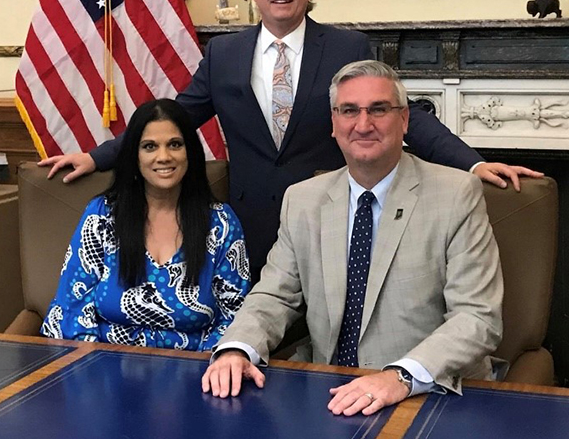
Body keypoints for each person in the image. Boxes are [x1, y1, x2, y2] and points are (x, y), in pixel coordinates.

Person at [41, 0, 539, 281]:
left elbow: (399, 115)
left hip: (331, 220)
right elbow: (170, 120)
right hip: (250, 226)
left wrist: (471, 162)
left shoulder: (346, 49)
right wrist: (97, 156)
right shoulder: (224, 54)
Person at [202, 60, 503, 416]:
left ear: (404, 120)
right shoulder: (303, 200)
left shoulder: (456, 193)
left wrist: (400, 377)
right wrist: (238, 348)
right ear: (333, 123)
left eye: (379, 109)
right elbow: (273, 295)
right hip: (332, 392)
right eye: (349, 111)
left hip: (428, 392)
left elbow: (478, 318)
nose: (363, 124)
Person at [41, 99, 251, 350]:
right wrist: (92, 374)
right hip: (105, 369)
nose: (164, 157)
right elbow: (71, 308)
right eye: (150, 146)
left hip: (196, 373)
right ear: (135, 156)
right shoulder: (102, 216)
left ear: (190, 153)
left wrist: (208, 371)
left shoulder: (221, 223)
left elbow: (234, 317)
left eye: (175, 144)